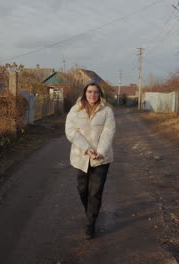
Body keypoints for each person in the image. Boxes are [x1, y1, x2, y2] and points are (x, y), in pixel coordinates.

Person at [65, 81, 116, 240]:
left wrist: (100, 151)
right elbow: (70, 131)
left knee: (95, 192)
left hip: (101, 158)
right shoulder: (75, 109)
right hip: (81, 157)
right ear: (84, 93)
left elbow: (109, 132)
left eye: (95, 92)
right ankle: (90, 212)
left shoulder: (107, 111)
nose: (92, 95)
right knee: (82, 189)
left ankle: (90, 224)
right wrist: (86, 148)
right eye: (89, 92)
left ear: (100, 94)